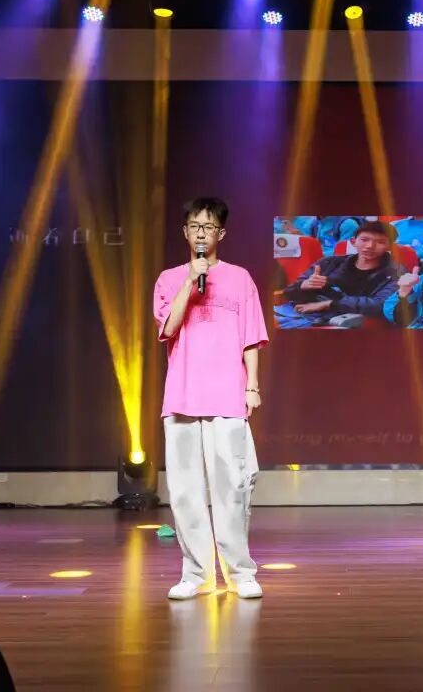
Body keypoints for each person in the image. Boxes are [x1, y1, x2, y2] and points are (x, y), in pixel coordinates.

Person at [153, 197, 269, 600]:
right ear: (185, 232)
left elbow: (251, 338)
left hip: (227, 394)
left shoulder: (240, 278)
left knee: (232, 488)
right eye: (194, 226)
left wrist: (252, 386)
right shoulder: (169, 279)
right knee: (185, 491)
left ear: (221, 233)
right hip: (182, 395)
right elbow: (168, 327)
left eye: (208, 227)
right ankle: (196, 575)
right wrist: (190, 281)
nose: (201, 233)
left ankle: (240, 573)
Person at [275, 221, 403, 328]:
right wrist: (303, 285)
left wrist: (330, 304)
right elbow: (289, 292)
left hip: (344, 320)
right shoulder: (329, 262)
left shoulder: (396, 273)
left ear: (390, 247)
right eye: (364, 240)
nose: (370, 246)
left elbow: (380, 305)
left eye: (380, 242)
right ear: (353, 242)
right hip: (300, 312)